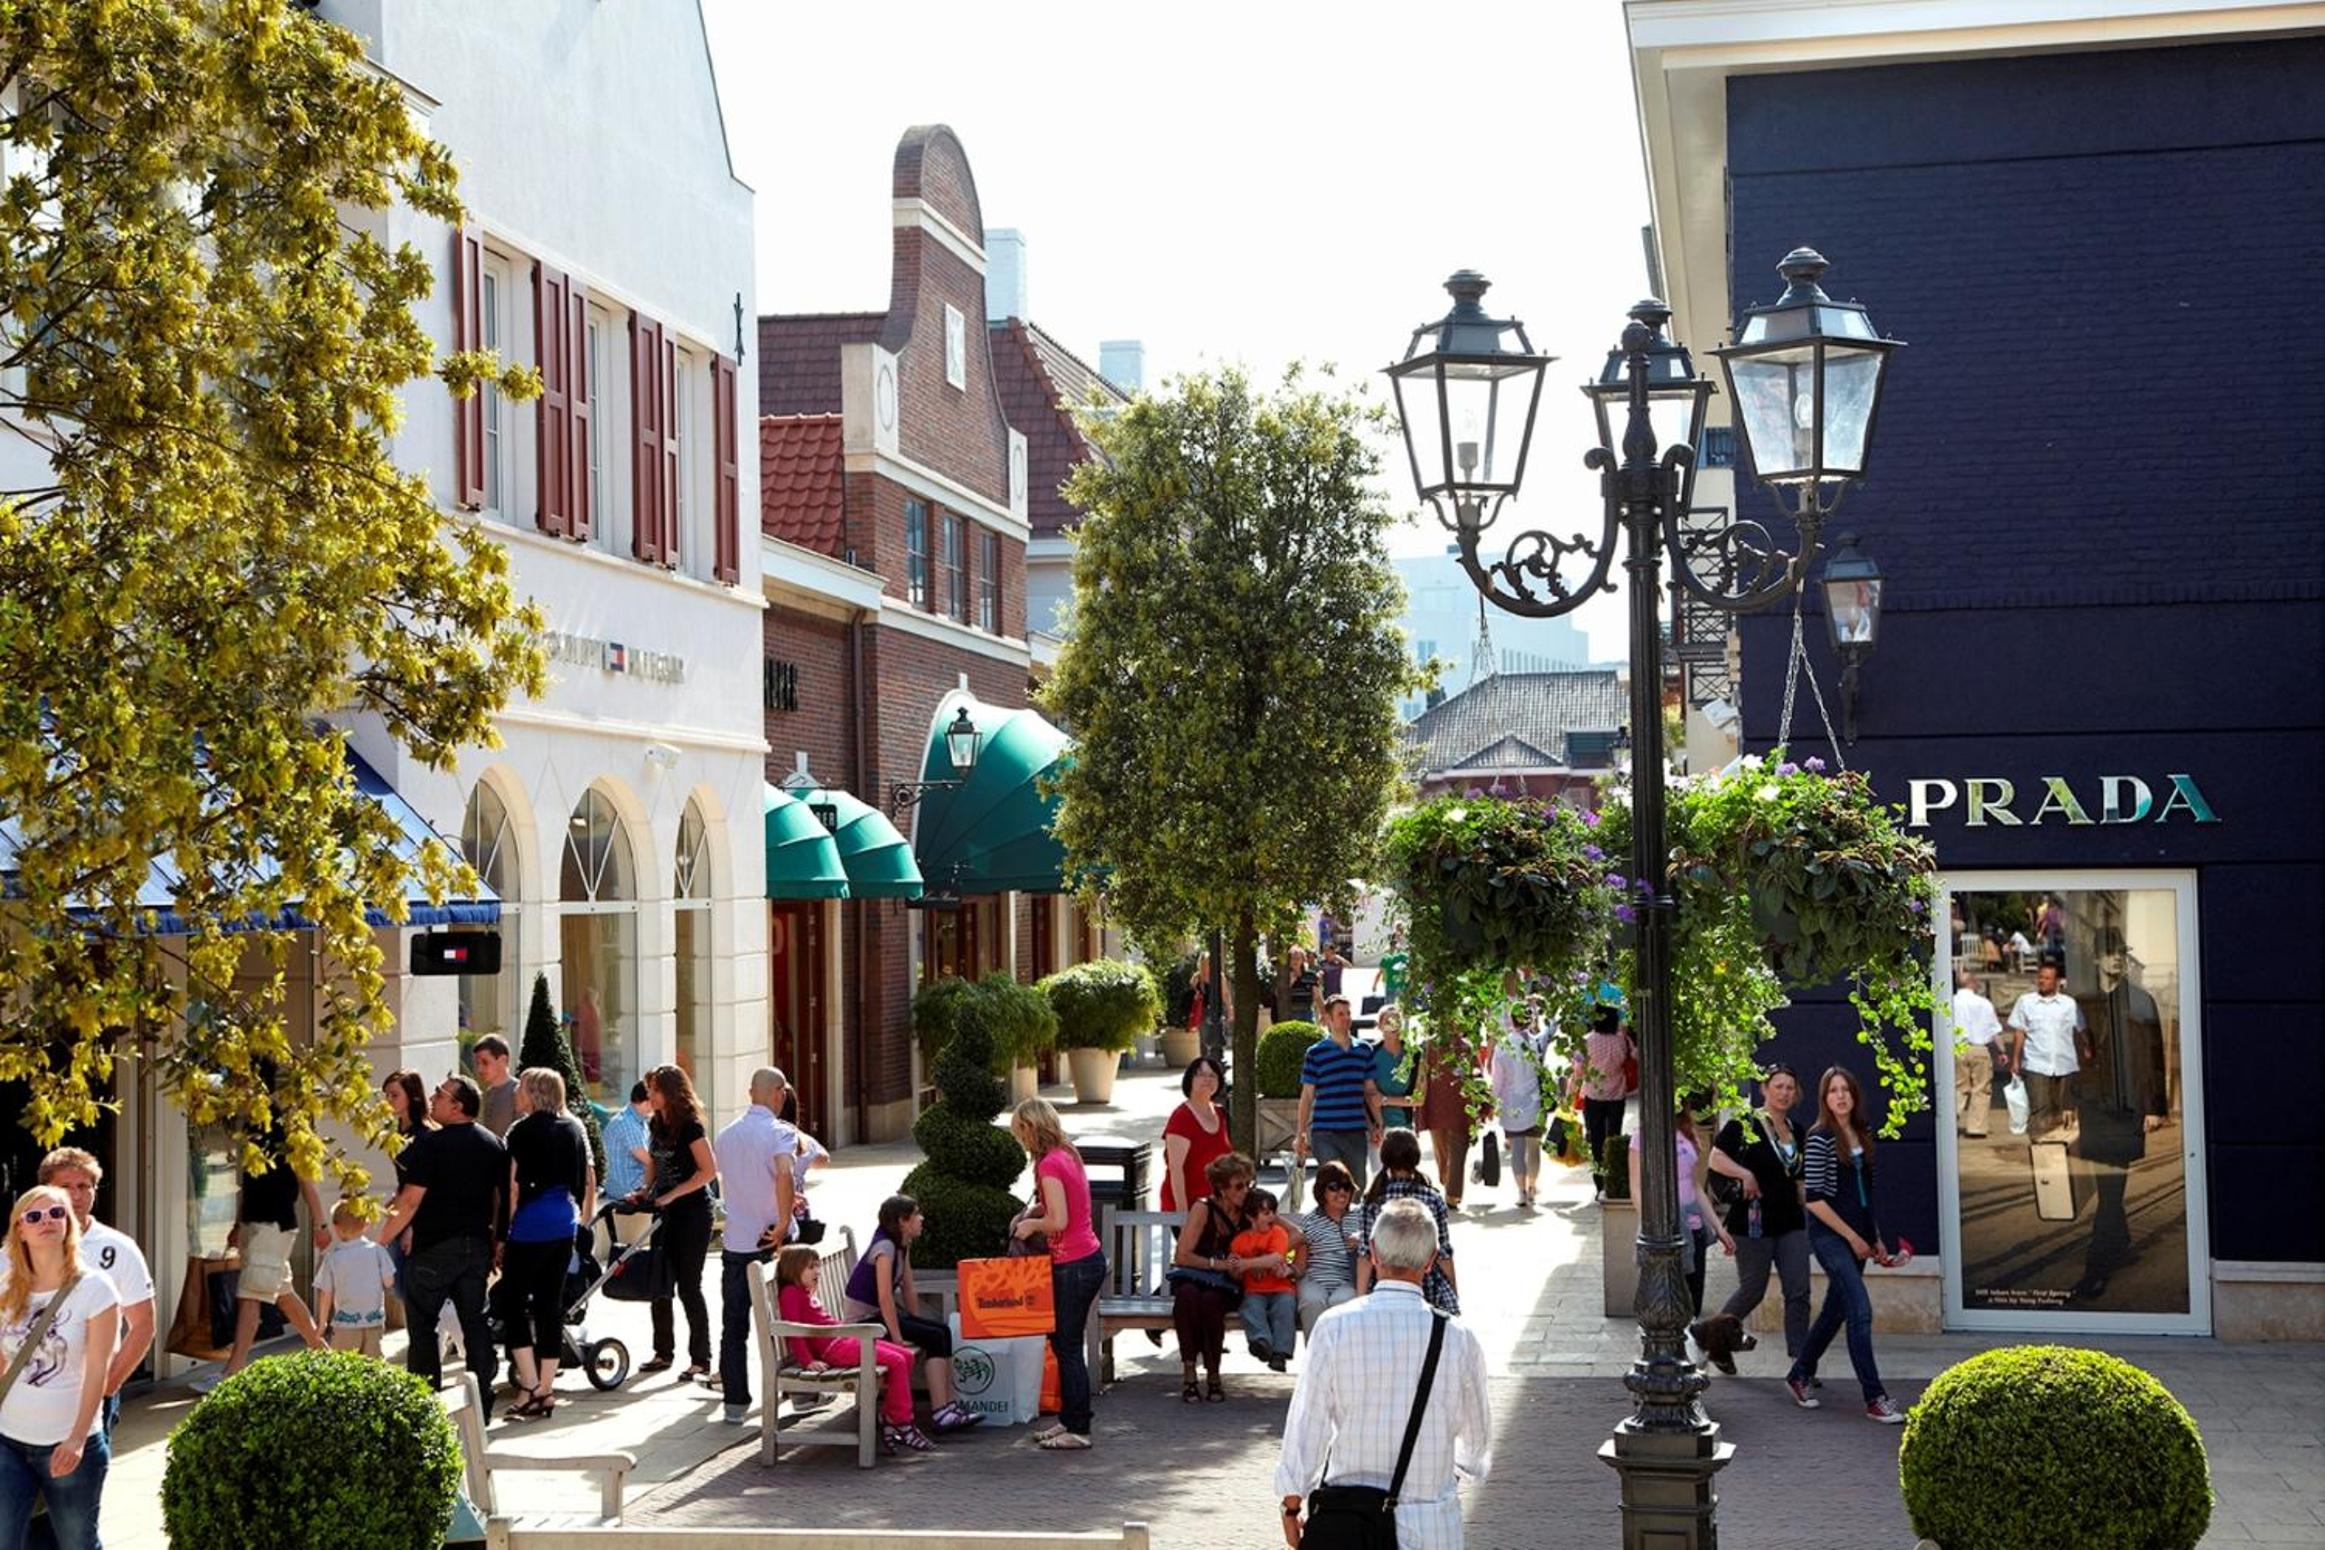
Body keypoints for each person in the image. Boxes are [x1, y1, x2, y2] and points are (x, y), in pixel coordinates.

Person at [1274, 1198, 1493, 1550]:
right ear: (1431, 1259)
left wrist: (1292, 1504)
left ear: (1373, 1252)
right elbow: (1476, 1444)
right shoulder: (1458, 1338)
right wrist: (1442, 1473)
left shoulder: (1334, 1327)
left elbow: (1307, 1425)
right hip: (1431, 1524)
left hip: (1349, 1523)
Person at [373, 1073, 507, 1414]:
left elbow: (409, 1201)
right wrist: (497, 1241)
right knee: (474, 1323)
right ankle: (482, 1401)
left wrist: (380, 1242)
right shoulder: (492, 1143)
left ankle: (426, 1406)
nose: (432, 1099)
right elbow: (502, 1200)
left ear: (457, 1106)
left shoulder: (429, 1145)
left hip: (433, 1249)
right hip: (475, 1248)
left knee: (422, 1327)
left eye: (440, 1094)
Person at [0, 1185, 119, 1549]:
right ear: (20, 1229)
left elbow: (98, 1371)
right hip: (8, 1441)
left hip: (67, 1445)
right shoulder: (7, 1290)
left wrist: (78, 1438)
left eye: (57, 1213)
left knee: (77, 1542)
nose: (47, 1221)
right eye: (34, 1216)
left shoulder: (96, 1289)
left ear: (69, 1224)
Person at [1787, 1066, 1906, 1423]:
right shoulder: (1820, 1137)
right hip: (1830, 1237)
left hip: (1859, 1236)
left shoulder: (1863, 1134)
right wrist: (1853, 1238)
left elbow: (1866, 1196)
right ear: (1824, 1099)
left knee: (1834, 1312)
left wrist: (1875, 1238)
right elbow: (1814, 1200)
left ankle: (1799, 1373)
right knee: (1860, 1310)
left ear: (1854, 1096)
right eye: (1832, 1091)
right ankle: (1874, 1398)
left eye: (1845, 1090)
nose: (1840, 1096)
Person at [2071, 929, 2170, 1302]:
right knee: (2107, 1185)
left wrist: (2155, 1107)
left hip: (2127, 1107)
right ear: (2096, 958)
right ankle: (2123, 1242)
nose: (2116, 959)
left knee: (2111, 1191)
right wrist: (2066, 1103)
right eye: (2109, 952)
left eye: (2120, 953)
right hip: (2093, 1107)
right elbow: (2071, 1053)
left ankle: (2096, 1268)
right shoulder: (2082, 1001)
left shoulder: (2141, 1000)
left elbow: (2155, 1055)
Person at [1696, 1066, 1810, 1375]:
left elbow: (1799, 1179)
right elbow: (1715, 1158)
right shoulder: (1744, 1124)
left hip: (1791, 1221)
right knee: (1752, 1290)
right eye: (1778, 1086)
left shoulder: (1798, 1131)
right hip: (1752, 1222)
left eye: (1790, 1088)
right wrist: (1745, 1173)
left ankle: (1801, 1363)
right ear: (1764, 1089)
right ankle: (1711, 1340)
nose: (1784, 1093)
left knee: (1799, 1291)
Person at [1008, 1098, 1104, 1451]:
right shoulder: (1067, 1153)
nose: (1021, 1140)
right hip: (1086, 1258)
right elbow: (1066, 1205)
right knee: (1065, 1344)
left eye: (1020, 1132)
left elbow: (1059, 1221)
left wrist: (1031, 1224)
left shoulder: (1049, 1163)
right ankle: (1069, 1417)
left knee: (1067, 1346)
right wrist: (1038, 1210)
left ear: (1031, 1128)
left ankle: (1078, 1428)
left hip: (1073, 1264)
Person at [773, 1245, 934, 1456]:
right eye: (811, 1267)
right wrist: (807, 1361)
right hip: (834, 1349)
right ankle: (902, 1423)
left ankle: (891, 1417)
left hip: (845, 1339)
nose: (817, 1271)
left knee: (905, 1356)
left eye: (817, 1266)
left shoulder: (802, 1292)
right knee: (897, 1361)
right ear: (794, 1269)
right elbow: (793, 1331)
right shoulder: (790, 1293)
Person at [843, 1195, 980, 1433]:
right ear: (902, 1221)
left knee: (941, 1330)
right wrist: (898, 1338)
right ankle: (941, 1413)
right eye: (916, 1214)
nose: (921, 1219)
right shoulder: (885, 1247)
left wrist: (915, 1321)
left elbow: (908, 1287)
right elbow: (885, 1297)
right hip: (864, 1324)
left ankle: (949, 1405)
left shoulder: (902, 1244)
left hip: (879, 1317)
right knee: (933, 1337)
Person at [37, 1148, 151, 1436]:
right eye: (65, 1187)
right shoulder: (19, 1249)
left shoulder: (120, 1248)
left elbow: (143, 1325)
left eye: (84, 1186)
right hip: (27, 1393)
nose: (76, 1196)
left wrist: (108, 1385)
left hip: (90, 1394)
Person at [502, 1066, 595, 1419]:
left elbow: (513, 1187)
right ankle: (545, 1387)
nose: (516, 1093)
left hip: (530, 1225)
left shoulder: (520, 1131)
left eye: (521, 1088)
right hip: (562, 1223)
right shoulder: (571, 1128)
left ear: (534, 1093)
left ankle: (528, 1384)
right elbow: (584, 1180)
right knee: (549, 1305)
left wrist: (503, 1233)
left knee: (512, 1303)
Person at [710, 1067, 797, 1425]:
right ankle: (801, 1391)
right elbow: (784, 1175)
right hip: (771, 1239)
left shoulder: (726, 1135)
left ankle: (734, 1402)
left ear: (750, 1093)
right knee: (789, 1317)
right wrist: (783, 1221)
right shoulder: (781, 1132)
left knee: (734, 1325)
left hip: (737, 1240)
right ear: (778, 1093)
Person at [212, 1129, 329, 1383]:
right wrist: (238, 1224)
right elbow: (249, 1186)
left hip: (275, 1225)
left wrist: (320, 1226)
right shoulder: (253, 1132)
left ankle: (233, 1371)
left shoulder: (290, 1134)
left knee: (251, 1294)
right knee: (283, 1293)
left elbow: (307, 1183)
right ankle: (321, 1350)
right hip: (254, 1225)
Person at [635, 1064, 717, 1381]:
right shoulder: (656, 1123)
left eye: (655, 1089)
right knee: (659, 1282)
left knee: (688, 1286)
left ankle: (701, 1358)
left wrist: (674, 1194)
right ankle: (662, 1352)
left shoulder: (690, 1127)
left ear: (670, 1092)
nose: (650, 1095)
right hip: (664, 1212)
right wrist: (645, 1190)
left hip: (693, 1214)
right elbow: (654, 1164)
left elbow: (708, 1171)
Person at [1632, 1096, 1732, 1326]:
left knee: (1693, 1302)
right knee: (1668, 1302)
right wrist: (1652, 1224)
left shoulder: (1687, 1133)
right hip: (1664, 1229)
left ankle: (1690, 1345)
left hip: (1694, 1226)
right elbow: (1636, 1187)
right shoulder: (1642, 1137)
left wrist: (1718, 1228)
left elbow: (1695, 1185)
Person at [1166, 1152, 1254, 1404]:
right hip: (1196, 1276)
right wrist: (1217, 1264)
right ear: (1222, 1188)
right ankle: (1189, 1369)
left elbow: (1291, 1233)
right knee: (1187, 1296)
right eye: (1239, 1186)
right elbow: (1182, 1255)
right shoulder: (1203, 1208)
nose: (1245, 1191)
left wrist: (1253, 1261)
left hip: (1228, 1284)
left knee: (1211, 1301)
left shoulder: (1250, 1210)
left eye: (1248, 1184)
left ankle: (1213, 1372)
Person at [1356, 1130, 1459, 1314]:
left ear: (1385, 1158)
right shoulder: (1432, 1198)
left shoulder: (1372, 1199)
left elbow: (1365, 1255)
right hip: (1427, 1286)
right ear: (1416, 1158)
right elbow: (1443, 1254)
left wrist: (1360, 1299)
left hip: (1382, 1285)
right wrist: (1453, 1293)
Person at [1294, 996, 1381, 1191]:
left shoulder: (1364, 1050)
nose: (1346, 1018)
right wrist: (1300, 1133)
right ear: (1328, 1018)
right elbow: (1307, 1096)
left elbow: (1370, 1091)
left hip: (1355, 1131)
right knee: (1332, 1184)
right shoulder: (1315, 1053)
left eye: (1348, 1013)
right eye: (1341, 1014)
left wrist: (1377, 1124)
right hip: (1325, 1132)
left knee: (1357, 1186)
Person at [2007, 959, 2090, 1138]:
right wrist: (2015, 1060)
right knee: (2040, 1107)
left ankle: (2063, 1145)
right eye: (2040, 977)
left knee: (2065, 1109)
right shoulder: (2026, 1002)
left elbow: (2082, 1028)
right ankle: (2041, 1146)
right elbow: (2019, 1032)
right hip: (2036, 1064)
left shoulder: (2069, 1004)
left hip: (2065, 1064)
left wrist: (2087, 1047)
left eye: (2047, 978)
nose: (2042, 981)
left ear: (2057, 981)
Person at [312, 1200, 397, 1357]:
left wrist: (323, 1322)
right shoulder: (378, 1251)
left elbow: (326, 1294)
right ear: (366, 1224)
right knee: (372, 1364)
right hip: (374, 1321)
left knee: (345, 1364)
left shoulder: (332, 1258)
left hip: (345, 1323)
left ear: (336, 1227)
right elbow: (389, 1281)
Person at [1567, 1005, 1634, 1197]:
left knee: (1596, 1141)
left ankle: (1600, 1185)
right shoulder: (1621, 1040)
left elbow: (1578, 1070)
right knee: (1613, 1138)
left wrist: (1571, 1091)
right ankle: (1613, 1182)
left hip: (1594, 1095)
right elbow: (1634, 1056)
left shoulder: (1586, 1041)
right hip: (1617, 1094)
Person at [1288, 1161, 1362, 1334]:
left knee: (1343, 1302)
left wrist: (1361, 1238)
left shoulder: (1360, 1215)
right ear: (1322, 1191)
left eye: (1346, 1187)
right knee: (1312, 1301)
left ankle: (1342, 1350)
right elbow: (1300, 1260)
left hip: (1348, 1280)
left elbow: (1376, 1241)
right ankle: (1315, 1350)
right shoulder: (1309, 1220)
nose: (1342, 1192)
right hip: (1315, 1279)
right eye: (1334, 1187)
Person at [1229, 1189, 1298, 1371]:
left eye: (1273, 1212)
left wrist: (1246, 1264)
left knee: (1285, 1307)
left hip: (1281, 1288)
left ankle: (1280, 1353)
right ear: (1250, 1217)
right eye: (1266, 1213)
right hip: (1254, 1290)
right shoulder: (1240, 1241)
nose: (1272, 1217)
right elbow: (1235, 1270)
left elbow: (1275, 1258)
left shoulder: (1278, 1233)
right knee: (1250, 1308)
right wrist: (1235, 1268)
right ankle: (1262, 1343)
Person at [1486, 1013, 1547, 1208]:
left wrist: (1492, 1102)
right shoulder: (1536, 1042)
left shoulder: (1503, 1045)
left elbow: (1498, 1080)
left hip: (1511, 1104)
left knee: (1517, 1150)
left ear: (1512, 1021)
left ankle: (1521, 1191)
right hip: (1534, 1102)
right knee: (1534, 1148)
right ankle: (1532, 1187)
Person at [1159, 1057, 1232, 1214]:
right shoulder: (1181, 1117)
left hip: (1217, 1208)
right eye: (1201, 1074)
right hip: (1187, 1206)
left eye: (1212, 1075)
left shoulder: (1221, 1114)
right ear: (1189, 1080)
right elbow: (1175, 1169)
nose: (1207, 1079)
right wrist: (1182, 1214)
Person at [1414, 1029, 1474, 1209]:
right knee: (1442, 1153)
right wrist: (1419, 1103)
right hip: (1436, 1106)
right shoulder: (1429, 1046)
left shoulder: (1466, 1047)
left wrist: (1484, 1102)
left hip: (1460, 1106)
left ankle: (1452, 1194)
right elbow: (1422, 1077)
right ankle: (1447, 1183)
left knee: (1458, 1151)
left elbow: (1475, 1073)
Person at [598, 1082, 654, 1251]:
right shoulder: (627, 1123)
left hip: (627, 1180)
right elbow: (649, 1160)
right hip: (625, 1185)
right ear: (646, 1101)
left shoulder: (637, 1120)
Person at [1950, 971, 2004, 1137]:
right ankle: (1977, 1128)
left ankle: (1952, 1117)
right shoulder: (1984, 1003)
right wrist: (2002, 1051)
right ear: (1972, 983)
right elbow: (1995, 1030)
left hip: (1957, 1048)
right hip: (1979, 1049)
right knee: (1981, 1088)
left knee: (1958, 1086)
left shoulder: (1950, 1002)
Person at [1371, 1007, 1419, 1133]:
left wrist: (1385, 1100)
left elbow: (1419, 1099)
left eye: (1396, 1021)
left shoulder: (1414, 1054)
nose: (1392, 1025)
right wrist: (1378, 1126)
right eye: (1388, 1021)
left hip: (1406, 1127)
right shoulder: (1371, 1054)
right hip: (1378, 1128)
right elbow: (1370, 1095)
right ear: (1379, 1026)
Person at [473, 1034, 520, 1138]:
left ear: (503, 1060)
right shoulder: (485, 1095)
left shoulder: (519, 1092)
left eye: (485, 1062)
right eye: (477, 1063)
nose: (479, 1069)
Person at [1280, 945, 1318, 1025]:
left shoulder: (1310, 975)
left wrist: (1323, 1013)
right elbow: (1280, 995)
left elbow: (1317, 996)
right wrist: (1291, 982)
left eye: (1298, 958)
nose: (1295, 961)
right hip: (1291, 1012)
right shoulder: (1285, 977)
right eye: (1293, 958)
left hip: (1307, 1012)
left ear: (1302, 960)